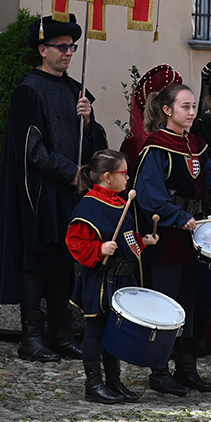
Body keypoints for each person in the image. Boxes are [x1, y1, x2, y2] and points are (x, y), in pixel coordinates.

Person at [0, 16, 105, 363]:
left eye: (72, 47)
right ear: (43, 50)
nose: (69, 53)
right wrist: (73, 173)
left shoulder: (75, 90)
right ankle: (31, 337)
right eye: (62, 47)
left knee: (63, 263)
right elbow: (31, 150)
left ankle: (62, 333)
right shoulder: (29, 89)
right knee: (37, 263)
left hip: (69, 194)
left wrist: (88, 120)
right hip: (39, 194)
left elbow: (93, 143)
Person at [132, 82, 211, 395]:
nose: (191, 112)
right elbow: (149, 196)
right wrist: (179, 218)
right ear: (167, 110)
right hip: (169, 238)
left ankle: (187, 368)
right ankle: (159, 371)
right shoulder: (155, 147)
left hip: (195, 235)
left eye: (193, 107)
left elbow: (207, 190)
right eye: (185, 107)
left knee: (190, 303)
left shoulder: (198, 145)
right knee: (165, 304)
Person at [66, 150, 157, 404]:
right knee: (95, 331)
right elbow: (75, 243)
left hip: (122, 281)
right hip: (101, 280)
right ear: (107, 176)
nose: (127, 178)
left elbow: (125, 241)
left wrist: (143, 242)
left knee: (113, 333)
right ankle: (93, 384)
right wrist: (99, 249)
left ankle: (114, 382)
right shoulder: (89, 205)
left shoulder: (120, 202)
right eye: (123, 173)